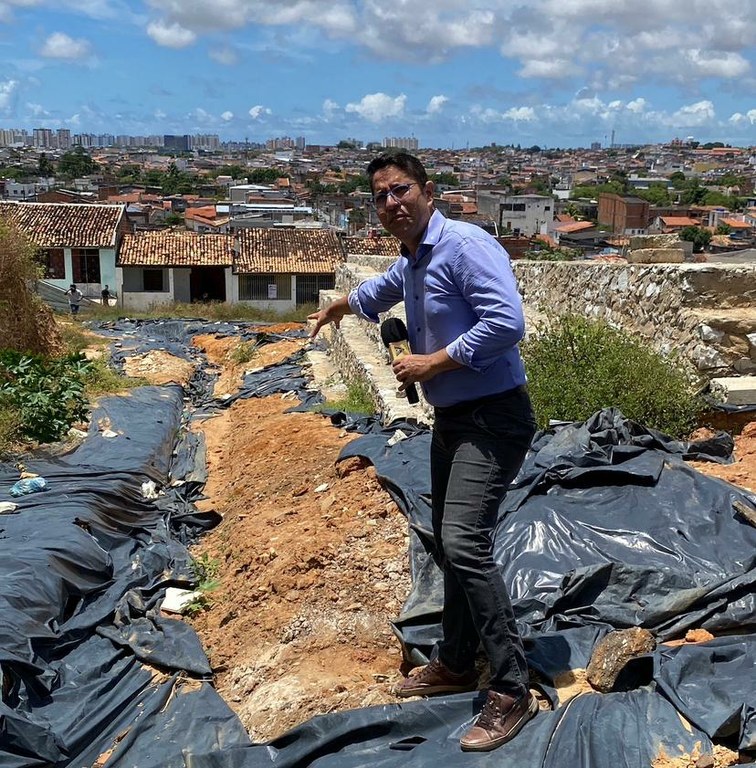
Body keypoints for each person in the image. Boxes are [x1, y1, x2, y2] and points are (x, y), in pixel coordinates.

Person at [308, 152, 538, 752]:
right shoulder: (412, 257)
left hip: (495, 417)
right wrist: (341, 305)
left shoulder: (463, 246)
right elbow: (384, 288)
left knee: (463, 540)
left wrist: (433, 361)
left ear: (428, 191)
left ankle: (513, 688)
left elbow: (507, 323)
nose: (392, 203)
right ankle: (459, 662)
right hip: (454, 417)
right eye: (381, 196)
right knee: (446, 536)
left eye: (401, 190)